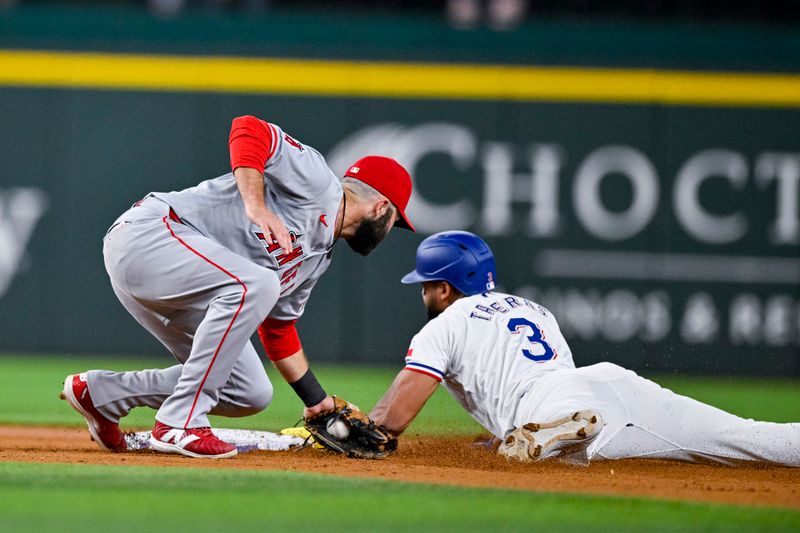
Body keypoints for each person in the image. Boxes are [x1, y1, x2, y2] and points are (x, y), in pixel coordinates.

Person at [61, 115, 415, 459]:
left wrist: (316, 401)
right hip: (150, 236)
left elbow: (277, 330)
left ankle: (103, 394)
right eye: (394, 222)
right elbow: (248, 129)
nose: (388, 231)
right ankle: (179, 421)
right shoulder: (319, 183)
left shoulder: (318, 258)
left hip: (182, 280)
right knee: (258, 284)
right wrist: (256, 206)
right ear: (382, 206)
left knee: (249, 391)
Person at [369, 231, 800, 466]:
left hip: (549, 404)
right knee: (743, 437)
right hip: (604, 381)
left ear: (444, 287)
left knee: (556, 454)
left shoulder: (444, 325)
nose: (422, 293)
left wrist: (358, 426)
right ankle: (555, 430)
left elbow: (392, 421)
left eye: (425, 285)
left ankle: (558, 436)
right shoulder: (533, 309)